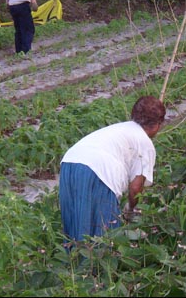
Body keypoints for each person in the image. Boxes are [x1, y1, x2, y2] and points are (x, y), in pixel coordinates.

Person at [58, 95, 166, 249]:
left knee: (76, 224)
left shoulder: (121, 129)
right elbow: (136, 188)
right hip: (98, 170)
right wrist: (130, 210)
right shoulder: (144, 143)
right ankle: (97, 270)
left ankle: (73, 268)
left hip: (70, 162)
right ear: (158, 124)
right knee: (104, 233)